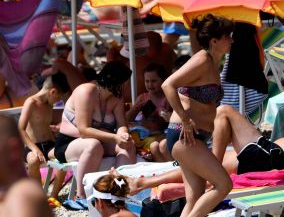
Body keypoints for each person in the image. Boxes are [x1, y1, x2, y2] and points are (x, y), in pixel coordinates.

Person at [121, 101, 284, 195]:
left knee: (224, 113)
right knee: (200, 163)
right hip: (267, 153)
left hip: (269, 157)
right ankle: (147, 182)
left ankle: (208, 172)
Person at [161, 14, 234, 217]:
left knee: (194, 197)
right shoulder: (202, 59)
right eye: (227, 37)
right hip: (184, 135)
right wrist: (184, 117)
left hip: (194, 137)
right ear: (214, 41)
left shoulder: (213, 63)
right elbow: (168, 85)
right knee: (224, 184)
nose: (231, 41)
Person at [54, 61, 136, 204]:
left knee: (129, 145)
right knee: (93, 145)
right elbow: (84, 130)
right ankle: (81, 196)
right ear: (119, 82)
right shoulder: (86, 91)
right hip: (69, 144)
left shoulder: (117, 98)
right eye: (127, 82)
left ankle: (119, 190)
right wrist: (114, 137)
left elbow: (122, 125)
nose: (128, 86)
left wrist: (123, 135)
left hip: (102, 141)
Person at [18, 72, 71, 186]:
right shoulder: (31, 102)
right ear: (53, 92)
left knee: (63, 157)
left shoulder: (49, 104)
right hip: (32, 145)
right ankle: (37, 192)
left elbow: (44, 124)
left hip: (49, 144)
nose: (58, 101)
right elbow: (21, 129)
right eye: (59, 97)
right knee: (33, 161)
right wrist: (35, 149)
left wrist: (56, 129)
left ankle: (54, 194)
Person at [126, 63, 172, 161]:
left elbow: (168, 123)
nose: (150, 84)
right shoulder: (143, 97)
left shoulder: (167, 99)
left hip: (157, 134)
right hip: (142, 135)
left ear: (163, 80)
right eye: (147, 81)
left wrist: (160, 116)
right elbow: (126, 119)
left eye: (154, 81)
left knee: (156, 144)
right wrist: (135, 109)